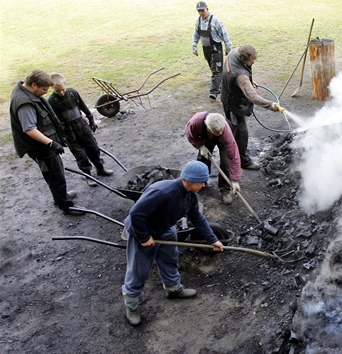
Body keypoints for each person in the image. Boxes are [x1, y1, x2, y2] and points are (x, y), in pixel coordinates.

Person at [121, 160, 225, 326]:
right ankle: (131, 304)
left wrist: (213, 240)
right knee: (139, 268)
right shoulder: (162, 192)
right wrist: (144, 237)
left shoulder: (190, 196)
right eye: (202, 182)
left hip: (165, 228)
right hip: (144, 230)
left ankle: (173, 289)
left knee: (170, 258)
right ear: (189, 181)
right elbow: (136, 214)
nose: (204, 186)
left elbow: (197, 218)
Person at [9, 70, 85, 216]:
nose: (45, 93)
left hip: (43, 145)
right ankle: (66, 206)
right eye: (44, 90)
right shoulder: (25, 103)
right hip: (40, 147)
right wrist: (51, 143)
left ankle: (60, 197)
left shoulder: (25, 91)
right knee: (54, 175)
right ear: (33, 85)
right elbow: (29, 129)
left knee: (55, 172)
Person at [221, 45, 281, 170]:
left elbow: (242, 77)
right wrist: (270, 105)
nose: (253, 62)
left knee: (235, 129)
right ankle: (242, 161)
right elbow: (252, 96)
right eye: (251, 61)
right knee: (241, 132)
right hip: (233, 103)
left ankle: (232, 149)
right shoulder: (240, 76)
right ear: (243, 59)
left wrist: (248, 81)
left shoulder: (234, 52)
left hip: (229, 92)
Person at [48, 73, 114, 187]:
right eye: (58, 91)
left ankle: (100, 169)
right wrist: (61, 137)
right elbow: (55, 121)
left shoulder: (73, 93)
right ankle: (88, 176)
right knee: (81, 155)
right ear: (52, 88)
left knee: (93, 148)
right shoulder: (52, 101)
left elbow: (83, 107)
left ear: (65, 85)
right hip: (69, 132)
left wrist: (91, 120)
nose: (61, 93)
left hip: (82, 126)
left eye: (62, 89)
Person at [185, 112, 242, 205]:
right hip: (205, 137)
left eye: (221, 130)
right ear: (208, 127)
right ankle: (200, 182)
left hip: (223, 141)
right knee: (202, 160)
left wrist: (235, 180)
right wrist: (201, 146)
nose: (219, 133)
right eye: (217, 131)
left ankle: (225, 189)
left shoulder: (226, 133)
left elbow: (233, 156)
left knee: (225, 163)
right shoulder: (196, 123)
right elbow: (190, 135)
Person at [192, 1, 232, 100]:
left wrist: (228, 48)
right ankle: (223, 84)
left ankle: (214, 91)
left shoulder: (215, 20)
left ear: (207, 9)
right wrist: (194, 45)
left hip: (216, 49)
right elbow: (196, 34)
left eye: (203, 10)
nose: (201, 13)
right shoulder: (198, 21)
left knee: (216, 70)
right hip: (206, 49)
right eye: (199, 11)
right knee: (213, 68)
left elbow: (224, 34)